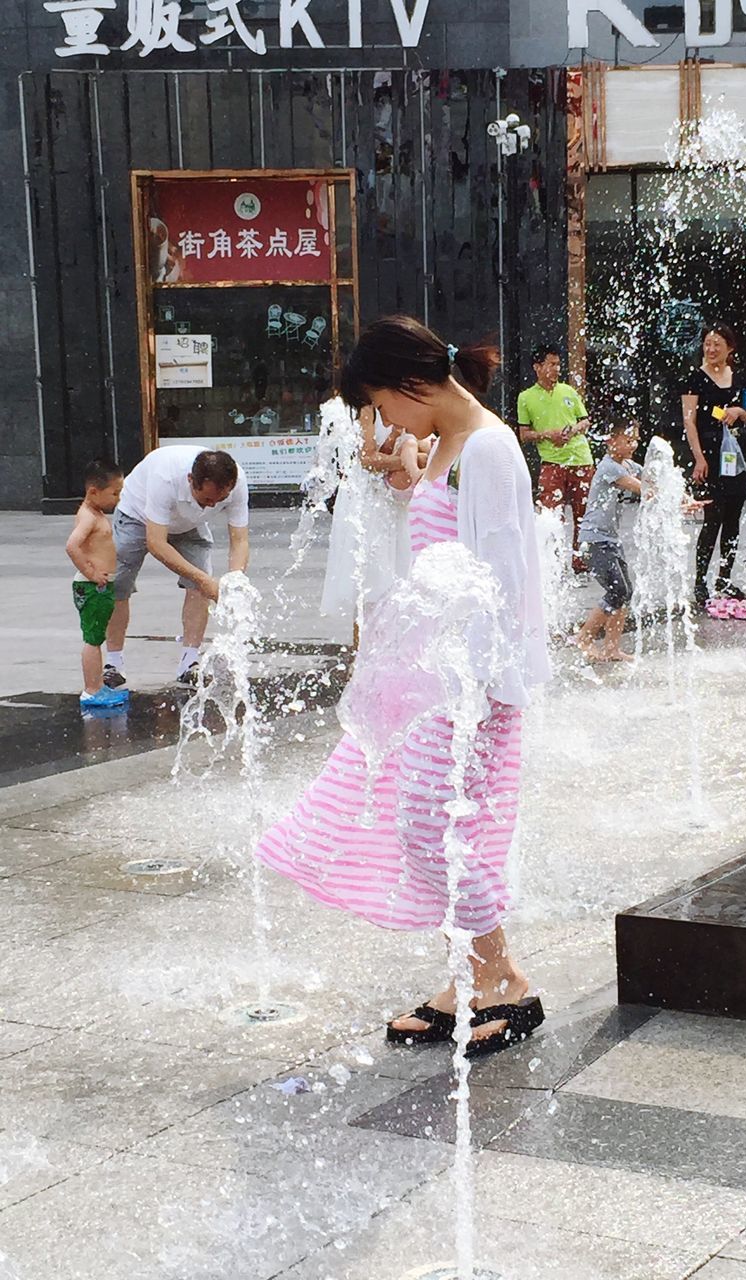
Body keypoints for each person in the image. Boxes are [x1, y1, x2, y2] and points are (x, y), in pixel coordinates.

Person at [257, 316, 551, 1057]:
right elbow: (418, 558)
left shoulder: (487, 448)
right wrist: (394, 480)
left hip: (472, 686)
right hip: (437, 678)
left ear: (409, 384)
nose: (381, 422)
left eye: (380, 406)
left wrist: (477, 698)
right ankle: (477, 975)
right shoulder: (447, 446)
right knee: (429, 826)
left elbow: (503, 582)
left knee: (439, 828)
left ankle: (508, 981)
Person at [103, 447, 249, 687]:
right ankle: (113, 663)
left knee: (200, 585)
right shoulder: (166, 477)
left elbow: (240, 540)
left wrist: (235, 580)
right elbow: (156, 543)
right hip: (137, 515)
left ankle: (189, 663)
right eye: (206, 500)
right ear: (191, 480)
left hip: (189, 525)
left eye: (219, 502)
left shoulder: (238, 483)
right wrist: (205, 580)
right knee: (118, 585)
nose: (211, 506)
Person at [318, 401, 420, 645]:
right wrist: (411, 461)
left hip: (393, 500)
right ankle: (362, 659)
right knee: (371, 583)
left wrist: (404, 450)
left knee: (398, 578)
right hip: (366, 501)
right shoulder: (367, 406)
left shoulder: (403, 400)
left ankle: (390, 654)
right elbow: (367, 460)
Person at [681, 324, 746, 607]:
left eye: (717, 344)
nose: (711, 349)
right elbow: (689, 421)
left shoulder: (740, 378)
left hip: (738, 453)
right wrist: (699, 457)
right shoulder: (695, 379)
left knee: (733, 518)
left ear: (730, 349)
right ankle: (700, 580)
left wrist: (738, 412)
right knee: (712, 517)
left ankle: (724, 577)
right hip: (711, 453)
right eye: (707, 344)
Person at [574, 422, 648, 661]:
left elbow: (653, 478)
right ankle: (584, 636)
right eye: (628, 440)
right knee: (617, 590)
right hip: (594, 540)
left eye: (635, 439)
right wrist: (673, 500)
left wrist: (684, 496)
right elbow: (642, 488)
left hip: (610, 539)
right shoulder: (608, 468)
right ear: (610, 442)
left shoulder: (627, 465)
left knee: (625, 592)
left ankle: (611, 648)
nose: (633, 444)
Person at [517, 345, 594, 572]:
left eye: (558, 364)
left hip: (581, 459)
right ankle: (553, 563)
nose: (556, 369)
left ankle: (581, 561)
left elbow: (585, 421)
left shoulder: (569, 391)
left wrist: (572, 430)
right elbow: (524, 434)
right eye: (551, 364)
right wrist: (547, 435)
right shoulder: (526, 397)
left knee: (584, 513)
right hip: (551, 462)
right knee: (550, 514)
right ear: (537, 367)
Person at [66, 459, 128, 709]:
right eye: (114, 493)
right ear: (94, 491)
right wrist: (91, 573)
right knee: (93, 639)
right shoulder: (89, 517)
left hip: (99, 585)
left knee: (97, 636)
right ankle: (92, 690)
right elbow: (72, 546)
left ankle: (97, 686)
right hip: (92, 586)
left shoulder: (96, 513)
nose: (118, 498)